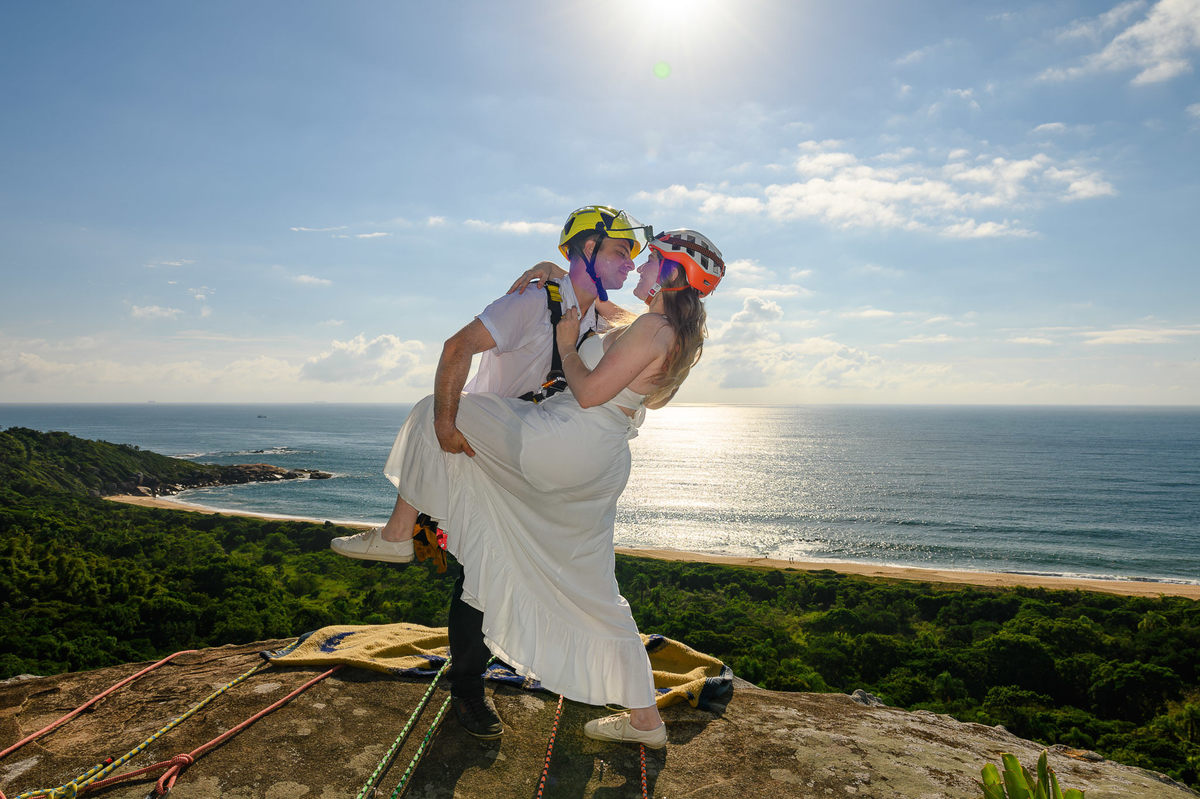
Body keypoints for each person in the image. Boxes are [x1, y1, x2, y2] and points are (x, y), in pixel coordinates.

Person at [341, 228, 725, 749]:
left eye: (651, 260)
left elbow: (587, 391)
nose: (638, 267)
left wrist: (567, 345)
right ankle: (644, 722)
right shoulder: (669, 332)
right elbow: (605, 318)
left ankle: (397, 532)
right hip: (600, 463)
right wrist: (557, 271)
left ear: (673, 272)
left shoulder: (651, 326)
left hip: (563, 439)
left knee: (441, 413)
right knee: (598, 593)